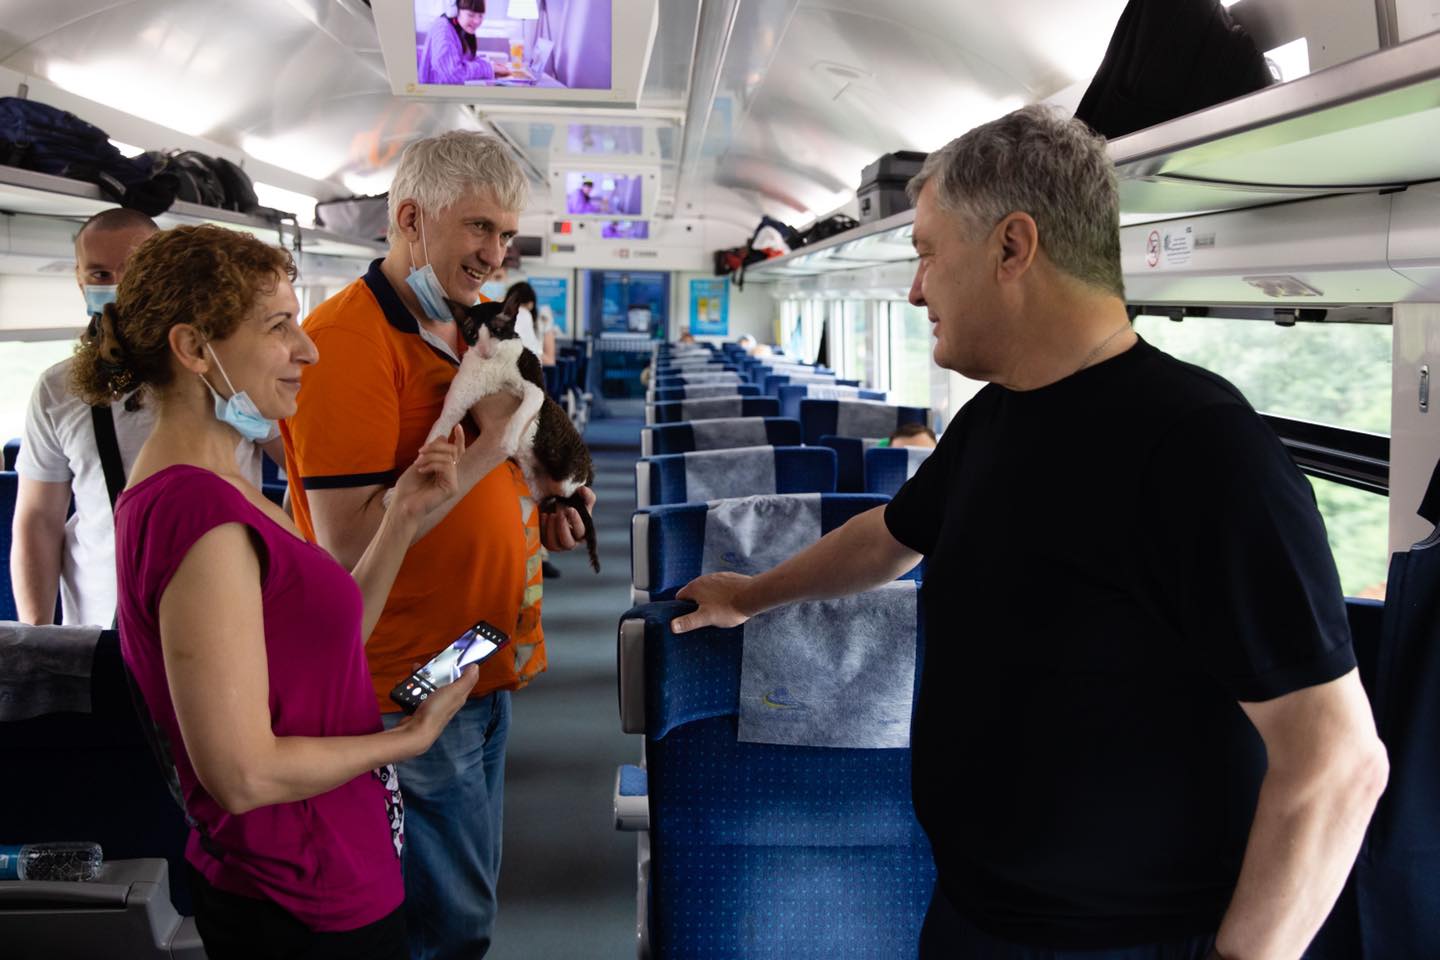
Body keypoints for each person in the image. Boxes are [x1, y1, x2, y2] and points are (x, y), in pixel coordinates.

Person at [672, 105, 1388, 960]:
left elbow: (1338, 761)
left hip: (1122, 941)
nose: (915, 291)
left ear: (1012, 248)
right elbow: (889, 538)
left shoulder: (1203, 451)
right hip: (972, 912)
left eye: (928, 254)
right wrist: (751, 596)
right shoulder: (997, 416)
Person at [73, 224, 484, 959]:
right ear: (194, 348)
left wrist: (401, 517)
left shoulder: (222, 483)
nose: (308, 349)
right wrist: (404, 741)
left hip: (332, 860)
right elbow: (241, 774)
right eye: (278, 326)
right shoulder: (198, 517)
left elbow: (326, 645)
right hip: (300, 892)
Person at [282, 131, 595, 960]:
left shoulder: (463, 324)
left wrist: (543, 498)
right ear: (412, 218)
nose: (496, 255)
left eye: (507, 235)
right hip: (404, 674)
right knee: (442, 924)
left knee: (465, 897)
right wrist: (494, 444)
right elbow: (352, 544)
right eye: (479, 228)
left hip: (473, 653)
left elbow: (483, 471)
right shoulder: (346, 343)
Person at [10, 208, 273, 626]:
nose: (117, 285)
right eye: (99, 274)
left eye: (133, 269)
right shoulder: (58, 389)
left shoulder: (224, 370)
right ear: (79, 280)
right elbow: (38, 520)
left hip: (226, 609)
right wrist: (38, 636)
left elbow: (302, 467)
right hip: (100, 624)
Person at [416, 0, 512, 85]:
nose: (477, 21)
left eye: (480, 16)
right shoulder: (442, 29)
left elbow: (467, 59)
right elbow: (453, 75)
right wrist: (489, 68)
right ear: (455, 10)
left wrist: (490, 66)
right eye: (471, 15)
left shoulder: (461, 29)